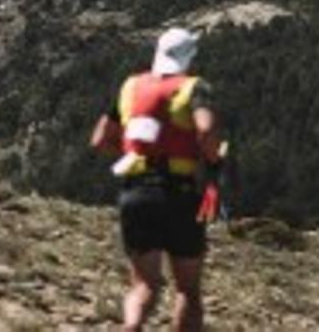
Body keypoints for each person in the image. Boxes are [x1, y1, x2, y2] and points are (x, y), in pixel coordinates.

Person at [90, 27, 224, 332]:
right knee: (187, 289)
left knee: (144, 285)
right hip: (179, 193)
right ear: (189, 56)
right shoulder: (194, 88)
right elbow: (204, 130)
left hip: (135, 193)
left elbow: (99, 139)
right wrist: (214, 160)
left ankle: (131, 324)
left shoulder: (130, 86)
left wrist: (132, 152)